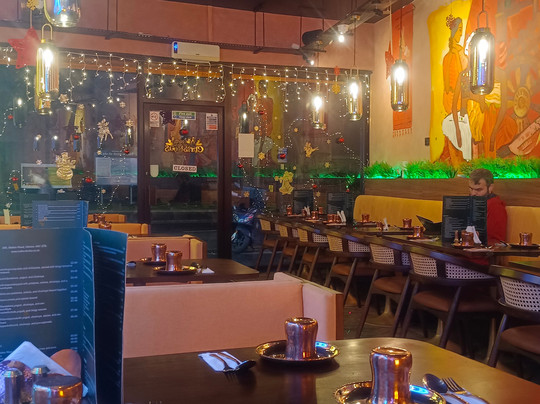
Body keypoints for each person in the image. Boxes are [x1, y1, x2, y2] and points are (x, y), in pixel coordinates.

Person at [468, 168, 507, 245]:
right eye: (471, 189)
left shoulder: (495, 206)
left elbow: (497, 242)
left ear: (490, 187)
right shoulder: (470, 202)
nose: (473, 193)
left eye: (478, 190)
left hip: (482, 250)